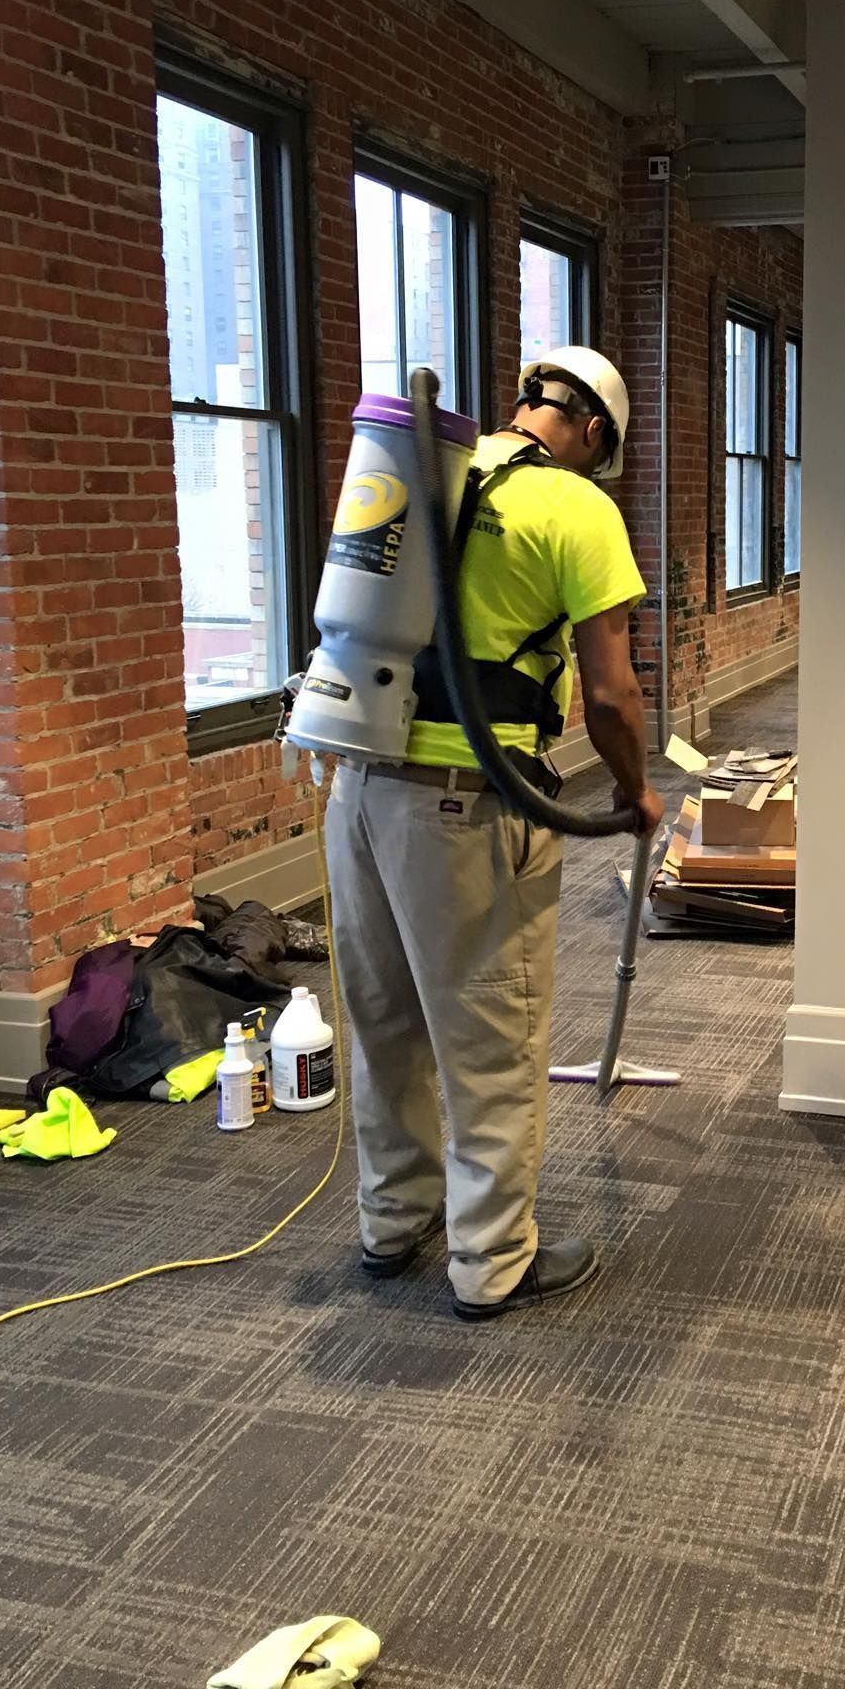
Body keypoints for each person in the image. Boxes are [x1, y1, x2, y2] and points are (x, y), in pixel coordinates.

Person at [325, 346, 664, 1322]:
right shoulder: (578, 507)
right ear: (595, 433)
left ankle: (391, 1223)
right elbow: (611, 692)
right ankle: (493, 1260)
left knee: (384, 1019)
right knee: (490, 1031)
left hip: (356, 785)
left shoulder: (423, 474)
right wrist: (635, 792)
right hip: (468, 802)